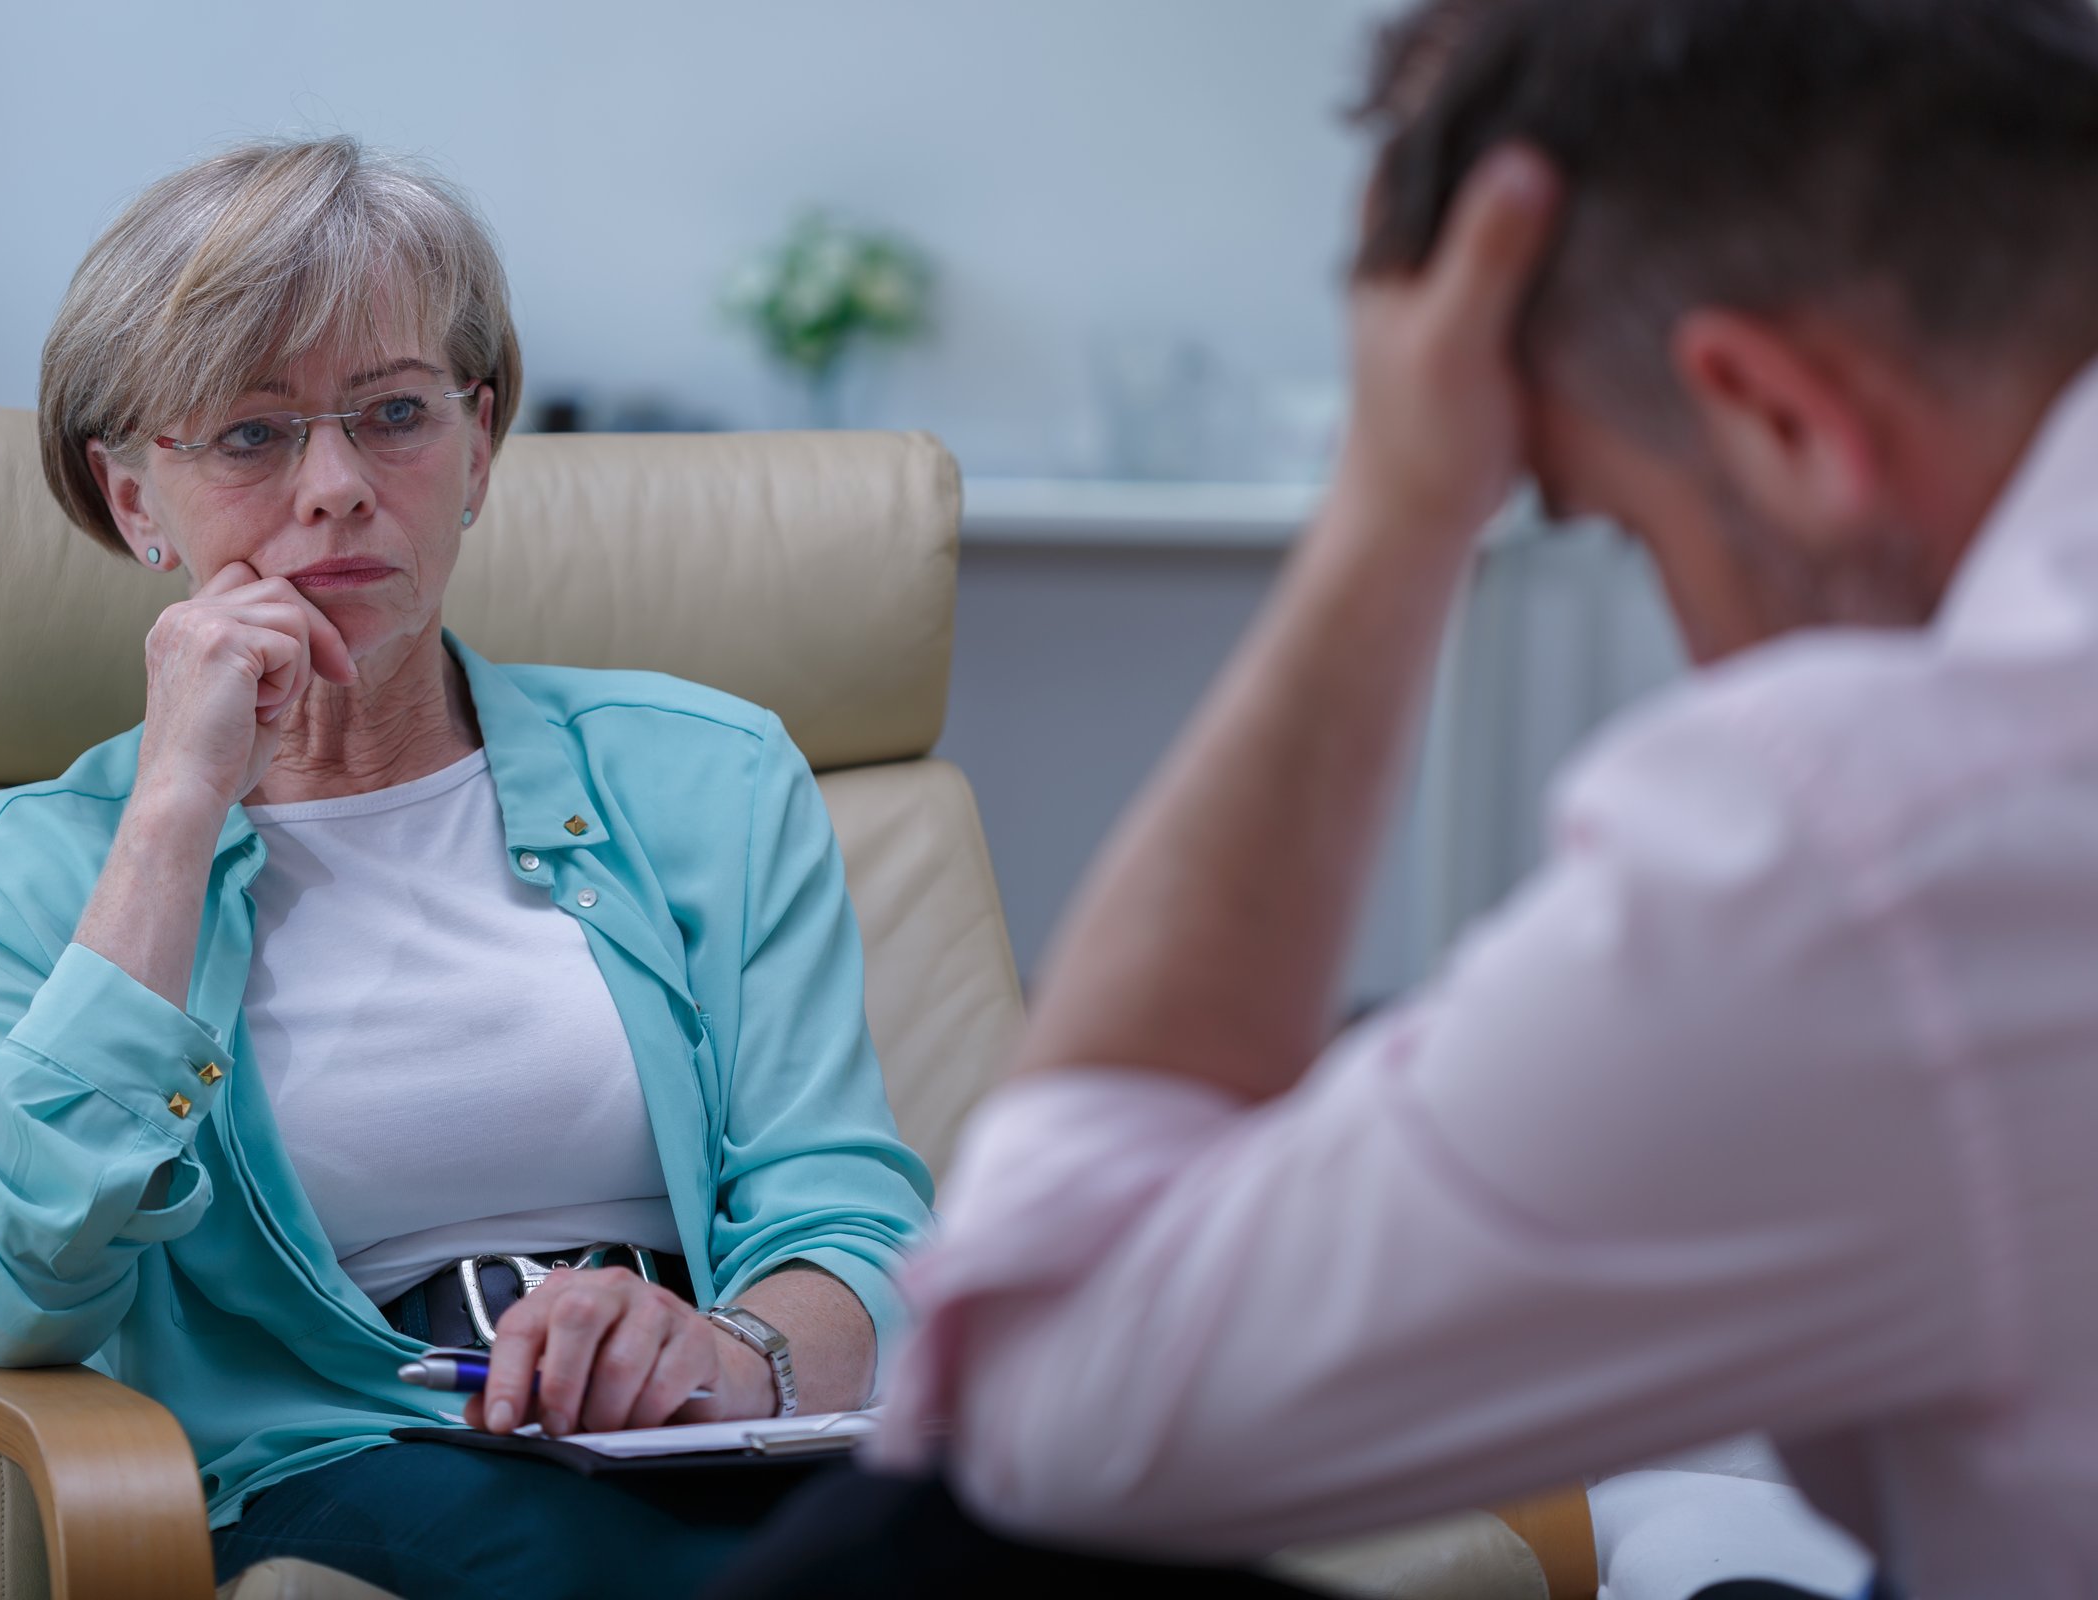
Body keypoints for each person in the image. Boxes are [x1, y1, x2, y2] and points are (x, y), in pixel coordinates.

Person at [726, 2, 2098, 1597]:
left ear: (1783, 423)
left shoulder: (1892, 833)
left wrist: (1394, 505)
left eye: (1623, 529)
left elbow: (1040, 1402)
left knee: (927, 1560)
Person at [0, 136, 933, 1598]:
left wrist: (736, 1354)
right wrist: (176, 813)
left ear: (479, 444)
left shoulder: (710, 775)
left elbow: (844, 1210)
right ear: (131, 501)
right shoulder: (22, 871)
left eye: (395, 415)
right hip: (358, 1467)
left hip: (728, 1442)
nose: (337, 487)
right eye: (250, 434)